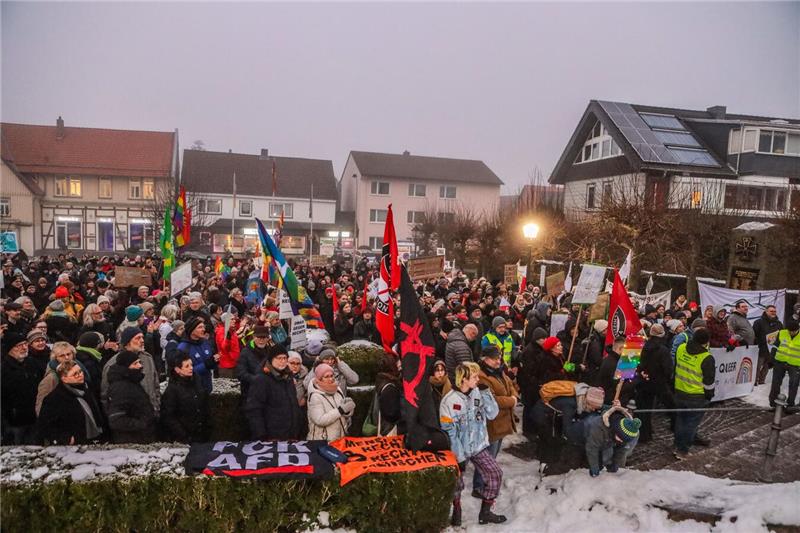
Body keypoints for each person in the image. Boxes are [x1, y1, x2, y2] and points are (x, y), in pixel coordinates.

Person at [440, 362, 506, 526]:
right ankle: (456, 510)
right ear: (464, 379)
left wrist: (486, 394)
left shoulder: (479, 392)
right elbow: (449, 431)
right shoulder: (448, 401)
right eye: (475, 376)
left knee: (495, 474)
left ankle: (485, 512)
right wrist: (459, 456)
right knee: (457, 484)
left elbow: (493, 414)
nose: (478, 379)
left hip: (478, 446)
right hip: (459, 450)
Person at [473, 345, 518, 498]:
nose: (498, 361)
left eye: (499, 358)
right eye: (495, 358)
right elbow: (491, 400)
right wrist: (511, 401)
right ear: (485, 359)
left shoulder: (498, 372)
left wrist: (513, 396)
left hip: (501, 423)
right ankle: (479, 486)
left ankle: (486, 482)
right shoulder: (481, 376)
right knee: (487, 457)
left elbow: (510, 385)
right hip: (491, 424)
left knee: (493, 455)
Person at [36, 360, 104, 445]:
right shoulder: (55, 398)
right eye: (75, 374)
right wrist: (66, 439)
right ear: (64, 378)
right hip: (72, 444)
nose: (80, 375)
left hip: (93, 438)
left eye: (80, 371)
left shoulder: (86, 389)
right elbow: (44, 426)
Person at [245, 346, 304, 440]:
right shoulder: (261, 379)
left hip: (291, 435)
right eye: (279, 358)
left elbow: (293, 403)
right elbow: (254, 409)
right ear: (271, 359)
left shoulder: (288, 378)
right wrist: (262, 435)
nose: (282, 361)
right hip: (272, 437)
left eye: (285, 358)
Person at [673, 328, 715, 459]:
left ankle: (677, 444)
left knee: (680, 420)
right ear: (706, 342)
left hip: (679, 391)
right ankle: (682, 449)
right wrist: (709, 395)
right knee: (691, 424)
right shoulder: (707, 357)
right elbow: (709, 381)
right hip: (696, 395)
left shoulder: (681, 348)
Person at [101, 327, 161, 416]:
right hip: (130, 419)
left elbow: (155, 384)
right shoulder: (113, 364)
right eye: (137, 338)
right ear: (127, 343)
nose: (142, 341)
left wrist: (156, 404)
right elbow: (105, 395)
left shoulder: (147, 358)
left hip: (151, 413)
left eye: (142, 337)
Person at [106, 350, 157, 444]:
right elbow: (117, 419)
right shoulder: (120, 388)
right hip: (132, 439)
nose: (140, 366)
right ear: (126, 367)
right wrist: (142, 424)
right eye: (135, 363)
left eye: (139, 362)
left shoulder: (132, 381)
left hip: (140, 436)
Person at [1, 332, 43, 444]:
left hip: (34, 417)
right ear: (10, 348)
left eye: (25, 344)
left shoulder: (33, 363)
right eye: (19, 345)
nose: (24, 348)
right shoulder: (4, 369)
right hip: (14, 421)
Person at [635, 324, 673, 442]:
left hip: (643, 382)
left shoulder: (641, 346)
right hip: (659, 383)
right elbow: (668, 369)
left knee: (643, 408)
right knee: (671, 406)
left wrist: (642, 373)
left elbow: (637, 364)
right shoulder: (663, 350)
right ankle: (676, 427)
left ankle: (644, 434)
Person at [160, 352, 209, 443]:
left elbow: (204, 403)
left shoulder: (196, 380)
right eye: (187, 366)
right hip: (185, 437)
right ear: (177, 370)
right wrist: (183, 435)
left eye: (191, 365)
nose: (191, 368)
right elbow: (168, 416)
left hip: (201, 433)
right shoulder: (172, 390)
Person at [581, 405, 641, 477]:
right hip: (583, 430)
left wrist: (615, 464)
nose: (620, 440)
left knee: (601, 460)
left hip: (603, 441)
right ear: (616, 430)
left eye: (623, 440)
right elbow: (592, 448)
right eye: (619, 437)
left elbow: (621, 450)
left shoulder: (624, 433)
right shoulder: (598, 427)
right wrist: (594, 468)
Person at [306, 362, 355, 440]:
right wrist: (341, 410)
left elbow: (343, 414)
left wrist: (348, 410)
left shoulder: (337, 389)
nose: (331, 379)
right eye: (326, 376)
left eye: (332, 375)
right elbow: (320, 420)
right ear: (319, 378)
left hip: (340, 438)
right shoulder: (315, 396)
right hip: (322, 441)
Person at [177, 317, 220, 394]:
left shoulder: (205, 343)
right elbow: (183, 372)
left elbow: (210, 363)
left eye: (203, 327)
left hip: (206, 388)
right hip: (192, 391)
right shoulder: (183, 348)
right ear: (191, 330)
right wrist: (206, 365)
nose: (203, 329)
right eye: (200, 327)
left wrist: (214, 361)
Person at [768, 318, 799, 409]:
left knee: (794, 383)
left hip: (795, 364)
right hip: (780, 362)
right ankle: (773, 404)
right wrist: (771, 359)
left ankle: (790, 404)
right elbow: (775, 346)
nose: (791, 333)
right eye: (790, 331)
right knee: (776, 383)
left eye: (794, 331)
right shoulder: (782, 332)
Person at [237, 325, 272, 398]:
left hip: (267, 392)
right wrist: (256, 379)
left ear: (268, 338)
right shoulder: (246, 352)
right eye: (258, 337)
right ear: (253, 337)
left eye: (264, 338)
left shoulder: (271, 351)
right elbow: (241, 373)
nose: (261, 340)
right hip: (250, 392)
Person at [753, 305, 783, 386]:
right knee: (757, 367)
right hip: (761, 349)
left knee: (767, 367)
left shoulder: (779, 323)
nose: (773, 313)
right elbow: (754, 335)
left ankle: (762, 381)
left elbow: (782, 335)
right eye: (771, 311)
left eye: (774, 311)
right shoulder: (758, 322)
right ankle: (754, 382)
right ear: (766, 312)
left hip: (772, 350)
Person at [214, 313, 241, 378]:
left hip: (233, 363)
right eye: (232, 319)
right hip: (226, 366)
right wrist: (228, 338)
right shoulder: (222, 331)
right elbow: (224, 347)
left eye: (234, 319)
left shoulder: (231, 330)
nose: (234, 321)